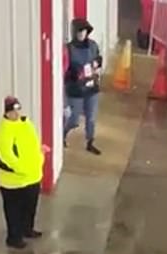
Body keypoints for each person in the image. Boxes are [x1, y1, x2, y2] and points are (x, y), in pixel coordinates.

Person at [0, 96, 46, 250]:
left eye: (17, 110)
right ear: (6, 113)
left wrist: (40, 155)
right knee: (14, 209)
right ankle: (14, 237)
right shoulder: (2, 131)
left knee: (30, 206)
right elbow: (6, 156)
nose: (16, 114)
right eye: (12, 111)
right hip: (13, 180)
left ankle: (27, 229)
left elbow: (32, 144)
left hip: (33, 175)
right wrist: (23, 169)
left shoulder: (26, 124)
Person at [64, 19, 102, 156]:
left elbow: (98, 58)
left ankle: (90, 141)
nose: (81, 34)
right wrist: (72, 74)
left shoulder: (93, 45)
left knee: (91, 118)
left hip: (91, 88)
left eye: (84, 31)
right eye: (79, 31)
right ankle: (63, 133)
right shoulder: (68, 48)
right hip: (76, 90)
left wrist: (97, 64)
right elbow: (63, 69)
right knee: (73, 119)